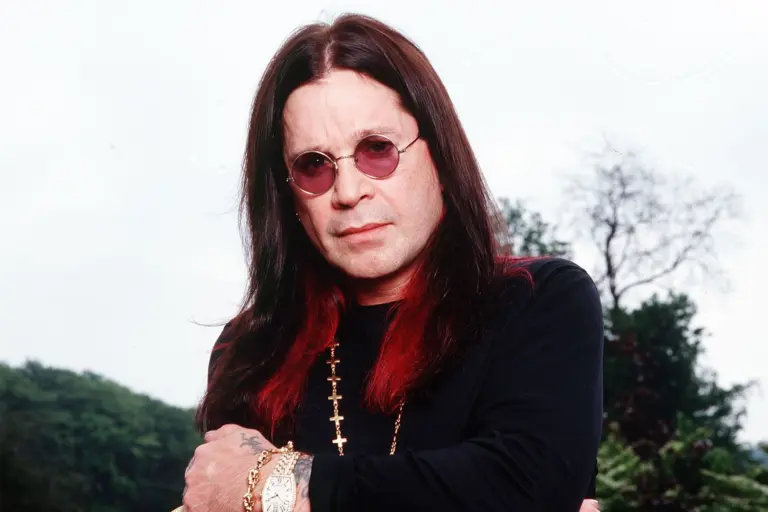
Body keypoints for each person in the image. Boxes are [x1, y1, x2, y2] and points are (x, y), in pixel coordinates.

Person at [180, 13, 604, 512]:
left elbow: (527, 484)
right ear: (287, 195)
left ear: (440, 157)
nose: (348, 191)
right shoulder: (250, 349)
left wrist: (276, 486)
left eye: (377, 150)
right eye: (313, 165)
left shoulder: (538, 300)